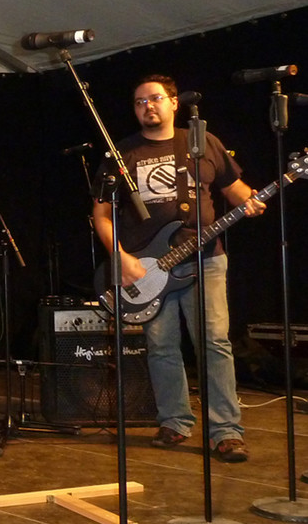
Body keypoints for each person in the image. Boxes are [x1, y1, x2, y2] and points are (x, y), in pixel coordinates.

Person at [91, 74, 266, 463]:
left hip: (206, 260)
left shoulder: (201, 142)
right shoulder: (121, 154)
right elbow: (100, 215)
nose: (147, 107)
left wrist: (252, 201)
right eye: (139, 102)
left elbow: (234, 189)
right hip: (148, 267)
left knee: (214, 343)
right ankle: (174, 421)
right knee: (161, 346)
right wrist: (120, 257)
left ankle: (226, 432)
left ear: (174, 103)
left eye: (154, 98)